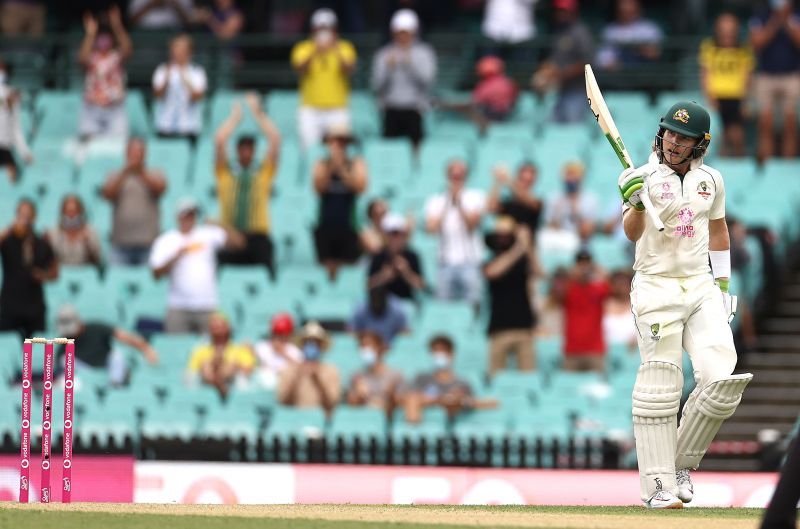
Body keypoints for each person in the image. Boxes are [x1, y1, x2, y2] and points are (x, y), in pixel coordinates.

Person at [617, 100, 751, 508]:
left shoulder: (712, 179)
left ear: (700, 143)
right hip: (655, 286)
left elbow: (719, 229)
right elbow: (631, 232)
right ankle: (656, 485)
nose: (673, 142)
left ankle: (677, 463)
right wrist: (637, 203)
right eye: (670, 133)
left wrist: (724, 285)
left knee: (722, 380)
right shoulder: (637, 176)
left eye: (683, 137)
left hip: (699, 286)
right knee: (661, 384)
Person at [149, 198, 244, 334]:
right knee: (176, 347)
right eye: (186, 214)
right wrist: (176, 256)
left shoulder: (207, 234)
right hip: (178, 306)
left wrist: (219, 224)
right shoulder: (166, 240)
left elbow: (239, 243)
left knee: (209, 348)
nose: (190, 218)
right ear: (179, 216)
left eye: (192, 215)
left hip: (207, 304)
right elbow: (155, 274)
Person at [214, 93, 280, 279]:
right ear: (237, 150)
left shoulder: (262, 172)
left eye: (250, 148)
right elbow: (219, 140)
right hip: (232, 236)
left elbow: (275, 139)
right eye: (242, 148)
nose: (246, 152)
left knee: (268, 262)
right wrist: (235, 119)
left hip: (257, 235)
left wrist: (258, 114)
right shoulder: (226, 172)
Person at [290, 8, 357, 149]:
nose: (324, 32)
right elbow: (299, 68)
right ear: (313, 29)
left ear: (335, 29)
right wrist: (315, 50)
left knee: (339, 150)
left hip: (337, 108)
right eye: (320, 28)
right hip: (310, 109)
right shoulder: (303, 48)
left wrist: (335, 48)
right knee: (309, 149)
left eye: (328, 28)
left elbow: (349, 69)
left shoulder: (345, 48)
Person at [371, 9, 437, 148]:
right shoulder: (384, 54)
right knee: (390, 151)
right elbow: (376, 86)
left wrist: (410, 65)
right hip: (391, 110)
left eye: (406, 33)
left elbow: (428, 81)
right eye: (399, 33)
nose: (402, 37)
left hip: (415, 110)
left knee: (416, 149)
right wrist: (388, 69)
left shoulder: (424, 53)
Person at [424, 159, 485, 305]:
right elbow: (431, 229)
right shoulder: (436, 200)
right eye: (454, 176)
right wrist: (447, 203)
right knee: (443, 305)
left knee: (473, 304)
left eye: (460, 176)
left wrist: (459, 204)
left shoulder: (476, 196)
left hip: (470, 260)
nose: (456, 180)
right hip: (445, 261)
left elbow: (472, 225)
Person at [483, 217, 538, 376]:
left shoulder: (523, 258)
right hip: (499, 328)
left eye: (507, 235)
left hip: (524, 328)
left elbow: (539, 272)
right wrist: (520, 247)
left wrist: (528, 247)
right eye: (500, 235)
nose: (503, 239)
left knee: (528, 376)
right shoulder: (490, 259)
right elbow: (493, 272)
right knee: (496, 377)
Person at [312, 123, 368, 280]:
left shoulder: (356, 163)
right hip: (326, 224)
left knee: (348, 267)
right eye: (334, 142)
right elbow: (318, 187)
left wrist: (342, 169)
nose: (338, 146)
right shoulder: (322, 164)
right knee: (326, 266)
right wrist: (332, 168)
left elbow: (360, 187)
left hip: (348, 224)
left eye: (342, 142)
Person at [55, 304, 159, 387]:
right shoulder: (64, 342)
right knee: (65, 360)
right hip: (84, 377)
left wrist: (146, 348)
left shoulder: (95, 328)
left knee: (117, 355)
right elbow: (58, 370)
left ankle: (116, 386)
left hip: (107, 368)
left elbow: (124, 336)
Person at [102, 137, 167, 266]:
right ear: (126, 153)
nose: (136, 155)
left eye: (139, 151)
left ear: (145, 154)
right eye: (133, 151)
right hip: (121, 244)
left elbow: (160, 189)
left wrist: (141, 172)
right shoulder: (116, 175)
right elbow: (107, 194)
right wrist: (125, 172)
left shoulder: (155, 173)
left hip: (148, 243)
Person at [402, 334, 496, 423]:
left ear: (452, 354)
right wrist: (439, 399)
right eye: (435, 351)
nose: (438, 355)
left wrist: (447, 400)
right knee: (412, 399)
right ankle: (413, 432)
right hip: (424, 421)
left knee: (455, 402)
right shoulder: (421, 379)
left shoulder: (462, 382)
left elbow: (467, 402)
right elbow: (407, 397)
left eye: (443, 351)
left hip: (454, 420)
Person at [749, 1, 800, 161]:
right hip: (766, 77)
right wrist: (776, 22)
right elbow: (756, 44)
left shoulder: (797, 15)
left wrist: (787, 21)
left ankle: (787, 166)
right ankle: (768, 168)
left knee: (791, 126)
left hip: (792, 76)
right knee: (765, 125)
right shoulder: (760, 15)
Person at [0, 199, 58, 338]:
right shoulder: (8, 241)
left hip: (34, 306)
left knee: (35, 348)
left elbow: (55, 272)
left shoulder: (42, 243)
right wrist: (10, 228)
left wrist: (43, 275)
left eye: (28, 214)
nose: (25, 218)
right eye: (21, 214)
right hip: (10, 305)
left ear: (34, 217)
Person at [699, 13, 754, 157]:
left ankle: (740, 165)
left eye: (730, 28)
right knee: (717, 135)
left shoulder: (743, 49)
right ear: (717, 29)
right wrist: (710, 96)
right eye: (724, 28)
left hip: (736, 96)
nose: (727, 32)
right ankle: (722, 169)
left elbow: (747, 76)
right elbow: (705, 74)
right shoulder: (709, 46)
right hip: (717, 96)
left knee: (737, 135)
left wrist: (745, 100)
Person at [530, 0, 594, 123]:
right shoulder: (557, 31)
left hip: (578, 92)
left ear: (573, 11)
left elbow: (587, 63)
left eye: (564, 11)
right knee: (553, 128)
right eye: (558, 11)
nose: (560, 14)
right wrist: (545, 72)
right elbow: (553, 61)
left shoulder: (580, 32)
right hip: (560, 93)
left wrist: (559, 73)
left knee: (572, 130)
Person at [77, 7, 132, 140]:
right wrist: (91, 33)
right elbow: (81, 59)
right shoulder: (91, 56)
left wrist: (117, 25)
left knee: (118, 145)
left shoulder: (116, 55)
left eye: (106, 36)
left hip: (114, 108)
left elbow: (128, 50)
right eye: (100, 37)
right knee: (87, 144)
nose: (103, 40)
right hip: (92, 108)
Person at [557, 250, 609, 373]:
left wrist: (596, 269)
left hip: (595, 350)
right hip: (572, 350)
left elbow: (614, 287)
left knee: (598, 388)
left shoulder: (598, 288)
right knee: (568, 389)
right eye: (581, 264)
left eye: (587, 264)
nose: (584, 268)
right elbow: (556, 291)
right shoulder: (569, 288)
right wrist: (570, 275)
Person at [152, 34, 207, 144]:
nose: (178, 52)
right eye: (175, 48)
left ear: (189, 52)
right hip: (165, 125)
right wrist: (166, 81)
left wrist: (186, 81)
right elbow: (157, 95)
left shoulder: (197, 71)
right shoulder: (163, 70)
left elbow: (198, 97)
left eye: (182, 48)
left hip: (189, 126)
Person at [277, 321, 340, 414]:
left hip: (322, 422)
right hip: (296, 421)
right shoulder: (289, 370)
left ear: (322, 346)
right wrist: (297, 376)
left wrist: (317, 378)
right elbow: (283, 401)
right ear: (302, 345)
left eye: (316, 342)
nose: (311, 345)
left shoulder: (331, 371)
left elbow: (332, 403)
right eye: (307, 342)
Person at [187, 312, 254, 398]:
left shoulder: (240, 350)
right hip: (206, 383)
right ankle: (219, 384)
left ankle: (218, 383)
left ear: (227, 328)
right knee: (206, 364)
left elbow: (247, 370)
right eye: (214, 327)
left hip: (232, 383)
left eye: (219, 327)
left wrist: (224, 366)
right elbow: (192, 371)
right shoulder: (200, 351)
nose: (217, 330)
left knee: (231, 365)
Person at [368, 213, 424, 302]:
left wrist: (406, 272)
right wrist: (383, 276)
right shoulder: (378, 256)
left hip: (406, 303)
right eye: (392, 233)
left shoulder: (412, 256)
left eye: (398, 233)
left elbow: (421, 286)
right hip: (381, 305)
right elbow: (368, 286)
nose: (395, 238)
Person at [346, 331, 403, 416]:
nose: (365, 350)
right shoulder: (356, 376)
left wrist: (390, 396)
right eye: (362, 346)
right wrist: (359, 396)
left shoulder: (395, 376)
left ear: (380, 347)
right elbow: (352, 406)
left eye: (368, 345)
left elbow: (400, 406)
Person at [597, 0, 663, 70]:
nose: (627, 15)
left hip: (646, 72)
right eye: (623, 12)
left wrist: (637, 49)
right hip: (619, 74)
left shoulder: (650, 28)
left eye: (631, 12)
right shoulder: (610, 31)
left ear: (638, 10)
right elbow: (603, 59)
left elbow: (656, 54)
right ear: (617, 12)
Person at [545, 161, 599, 243]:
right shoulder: (555, 198)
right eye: (568, 174)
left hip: (581, 243)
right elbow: (550, 229)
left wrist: (576, 211)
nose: (571, 179)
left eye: (574, 175)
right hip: (559, 242)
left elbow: (586, 233)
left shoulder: (590, 200)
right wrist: (557, 212)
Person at [46, 194, 103, 268]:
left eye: (75, 211)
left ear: (81, 213)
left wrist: (87, 244)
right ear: (62, 212)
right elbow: (49, 261)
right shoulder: (53, 232)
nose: (71, 216)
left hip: (85, 273)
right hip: (61, 274)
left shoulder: (91, 232)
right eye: (68, 212)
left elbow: (97, 261)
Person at [487, 162, 543, 235]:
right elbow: (491, 208)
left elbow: (528, 200)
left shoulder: (538, 200)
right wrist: (498, 182)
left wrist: (508, 179)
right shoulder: (508, 202)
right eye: (522, 178)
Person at [0, 59, 31, 183]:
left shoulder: (11, 94)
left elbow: (15, 126)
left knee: (10, 182)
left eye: (2, 69)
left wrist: (24, 151)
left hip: (4, 148)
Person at [252, 312, 303, 389]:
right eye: (277, 334)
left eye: (282, 335)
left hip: (286, 387)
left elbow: (301, 369)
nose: (279, 338)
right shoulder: (263, 347)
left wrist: (283, 354)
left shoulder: (293, 350)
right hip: (263, 386)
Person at [603, 270, 637, 350]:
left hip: (633, 350)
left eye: (623, 284)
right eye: (617, 284)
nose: (620, 287)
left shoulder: (638, 305)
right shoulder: (603, 305)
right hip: (608, 350)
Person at [128, 0, 196, 30]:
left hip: (173, 33)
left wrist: (175, 4)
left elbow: (190, 23)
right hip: (145, 34)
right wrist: (152, 4)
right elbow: (131, 21)